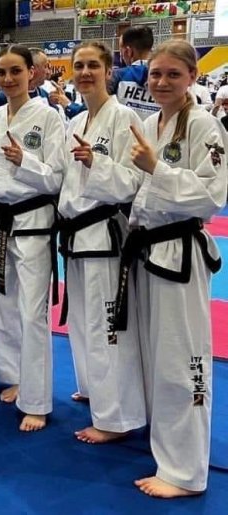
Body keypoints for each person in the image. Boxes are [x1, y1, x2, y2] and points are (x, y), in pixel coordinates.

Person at [111, 39, 227, 498]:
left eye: (173, 74)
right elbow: (134, 187)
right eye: (156, 74)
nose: (161, 82)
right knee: (155, 356)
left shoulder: (204, 125)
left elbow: (212, 196)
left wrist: (157, 168)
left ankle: (186, 472)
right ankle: (166, 449)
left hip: (180, 251)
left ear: (192, 78)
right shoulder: (148, 123)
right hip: (146, 249)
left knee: (183, 358)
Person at [56, 42, 146, 442]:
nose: (85, 72)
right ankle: (95, 389)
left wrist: (97, 162)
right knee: (83, 322)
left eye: (93, 65)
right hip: (76, 235)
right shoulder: (76, 121)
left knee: (108, 327)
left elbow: (134, 182)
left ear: (109, 70)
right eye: (79, 66)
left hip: (106, 234)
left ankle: (116, 419)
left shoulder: (124, 118)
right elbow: (64, 182)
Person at [0, 45, 64, 431]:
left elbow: (57, 176)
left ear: (32, 73)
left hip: (33, 225)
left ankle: (37, 401)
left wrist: (24, 162)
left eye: (16, 71)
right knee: (1, 305)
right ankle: (15, 377)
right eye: (2, 72)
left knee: (32, 313)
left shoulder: (49, 117)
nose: (8, 79)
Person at [110, 26, 159, 120]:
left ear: (129, 51)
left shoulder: (117, 76)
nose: (122, 56)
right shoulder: (167, 78)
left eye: (121, 51)